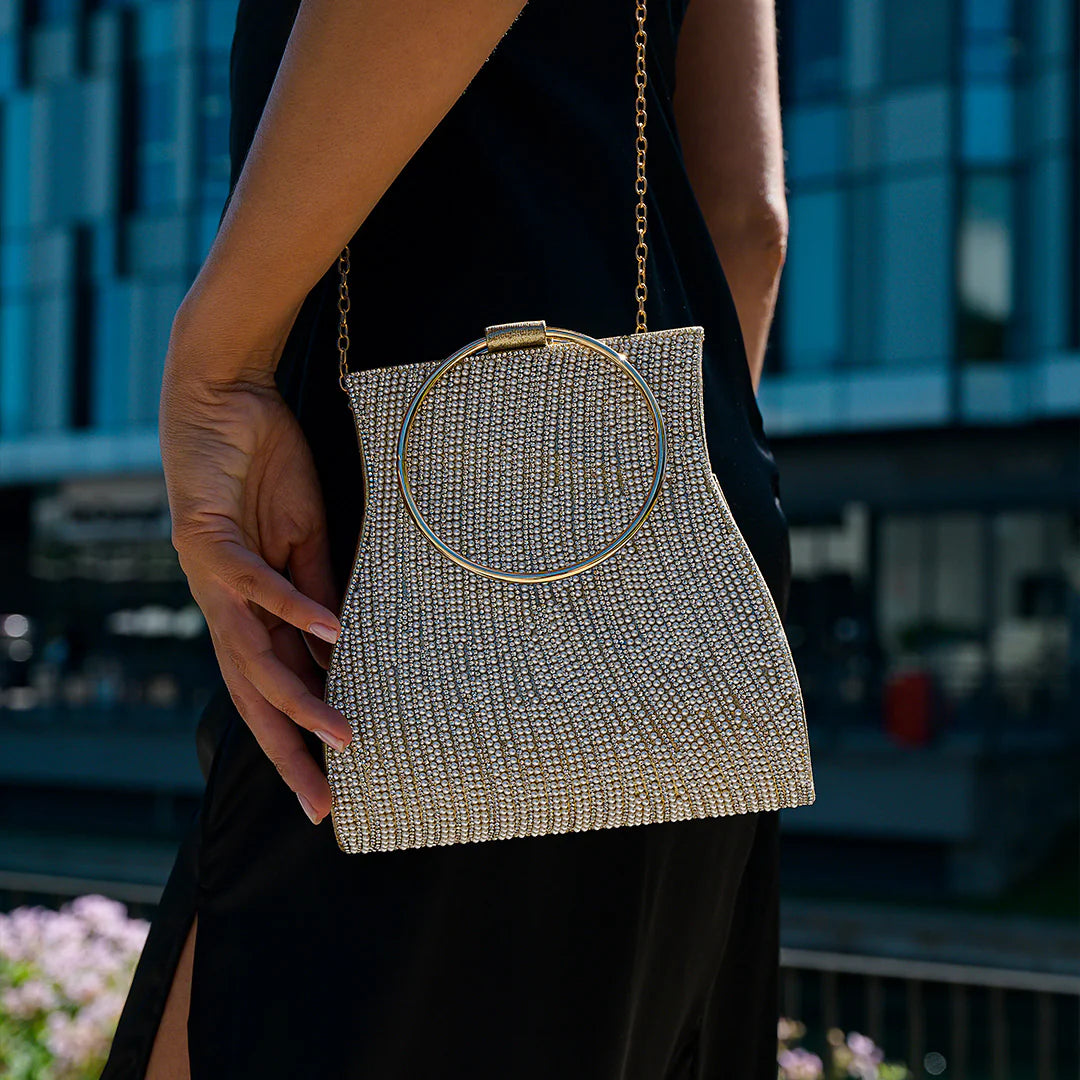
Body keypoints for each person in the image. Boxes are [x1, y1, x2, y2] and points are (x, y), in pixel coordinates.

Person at [101, 0, 792, 1076]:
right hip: (681, 538)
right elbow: (748, 220)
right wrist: (648, 529)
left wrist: (215, 362)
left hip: (406, 532)